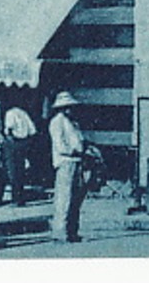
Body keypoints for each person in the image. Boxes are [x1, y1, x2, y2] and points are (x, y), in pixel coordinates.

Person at [48, 91, 87, 242]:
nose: (71, 109)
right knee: (64, 198)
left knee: (75, 199)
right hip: (65, 161)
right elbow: (60, 145)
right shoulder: (57, 122)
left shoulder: (72, 123)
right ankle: (60, 231)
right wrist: (75, 150)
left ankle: (72, 230)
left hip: (76, 162)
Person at [0, 100, 37, 206]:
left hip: (14, 142)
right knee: (20, 171)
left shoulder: (10, 113)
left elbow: (9, 130)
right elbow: (33, 131)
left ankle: (16, 198)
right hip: (24, 143)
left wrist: (9, 142)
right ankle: (20, 197)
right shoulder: (24, 113)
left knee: (13, 171)